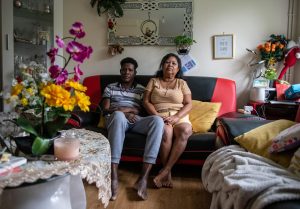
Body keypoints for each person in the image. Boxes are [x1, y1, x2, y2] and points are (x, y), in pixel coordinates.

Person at [102, 57, 164, 200]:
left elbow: (144, 110)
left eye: (130, 70)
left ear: (135, 72)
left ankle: (143, 178)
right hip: (116, 119)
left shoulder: (142, 89)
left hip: (135, 120)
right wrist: (124, 112)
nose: (126, 72)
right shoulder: (110, 87)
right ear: (120, 71)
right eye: (124, 69)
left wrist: (131, 110)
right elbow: (105, 110)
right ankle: (114, 176)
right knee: (118, 116)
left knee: (157, 121)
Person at [143, 53, 193, 188]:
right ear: (162, 65)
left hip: (179, 116)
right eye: (167, 62)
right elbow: (146, 101)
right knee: (166, 131)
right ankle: (167, 175)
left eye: (174, 63)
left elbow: (189, 104)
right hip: (159, 116)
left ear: (178, 69)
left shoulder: (182, 83)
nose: (170, 65)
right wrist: (157, 116)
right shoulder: (153, 81)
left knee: (186, 130)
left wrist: (177, 117)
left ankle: (165, 171)